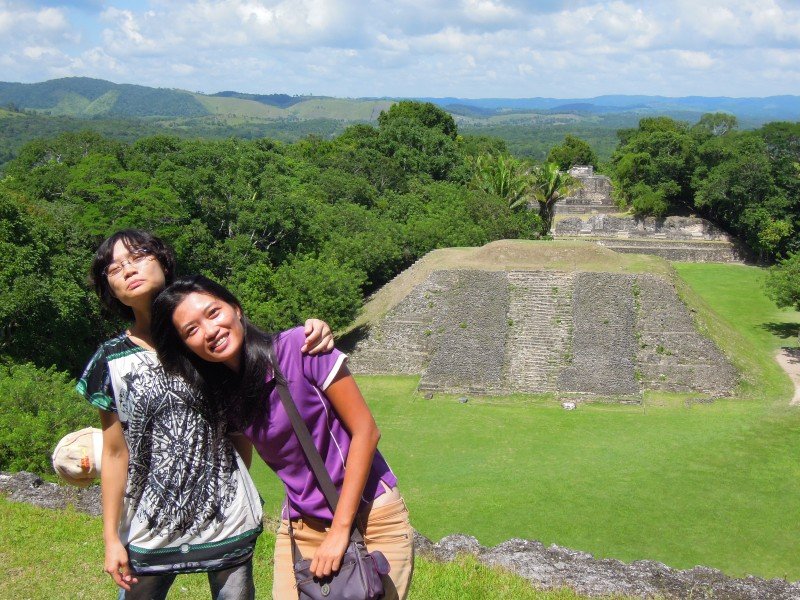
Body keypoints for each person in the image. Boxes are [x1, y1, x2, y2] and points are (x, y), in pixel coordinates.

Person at [76, 229, 334, 600]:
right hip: (149, 527)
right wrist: (111, 539)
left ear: (163, 261)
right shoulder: (111, 359)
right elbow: (116, 452)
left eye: (139, 256)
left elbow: (245, 414)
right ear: (109, 289)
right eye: (114, 268)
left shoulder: (206, 340)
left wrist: (316, 330)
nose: (128, 269)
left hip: (225, 519)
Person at [151, 275, 414, 600]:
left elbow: (366, 431)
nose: (209, 331)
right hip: (301, 525)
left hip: (369, 516)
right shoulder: (224, 396)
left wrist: (340, 530)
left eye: (213, 313)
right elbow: (237, 467)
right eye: (191, 330)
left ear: (236, 308)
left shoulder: (300, 348)